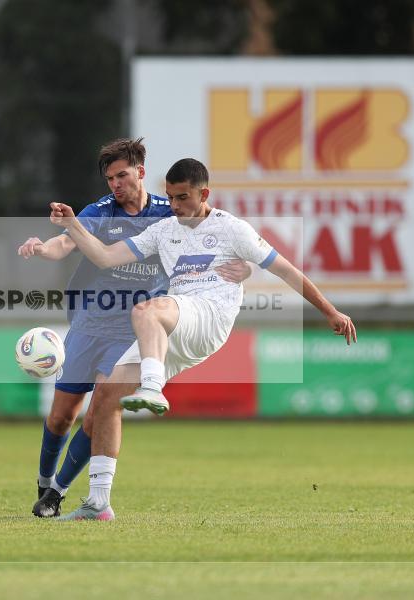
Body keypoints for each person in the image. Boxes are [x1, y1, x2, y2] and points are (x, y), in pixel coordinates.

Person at [49, 158, 356, 520]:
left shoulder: (232, 229)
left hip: (209, 316)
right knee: (104, 396)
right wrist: (73, 225)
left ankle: (152, 387)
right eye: (171, 198)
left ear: (204, 194)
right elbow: (103, 257)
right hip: (174, 325)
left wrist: (330, 311)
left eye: (183, 198)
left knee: (145, 310)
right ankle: (98, 504)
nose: (175, 206)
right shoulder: (164, 230)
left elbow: (287, 270)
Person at [17, 139, 250, 518]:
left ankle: (56, 495)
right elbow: (64, 243)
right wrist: (42, 248)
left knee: (100, 413)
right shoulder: (100, 211)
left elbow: (212, 242)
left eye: (122, 175)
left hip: (134, 328)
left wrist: (245, 268)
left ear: (140, 172)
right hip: (91, 322)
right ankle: (44, 482)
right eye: (110, 178)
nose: (115, 184)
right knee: (63, 415)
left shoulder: (168, 212)